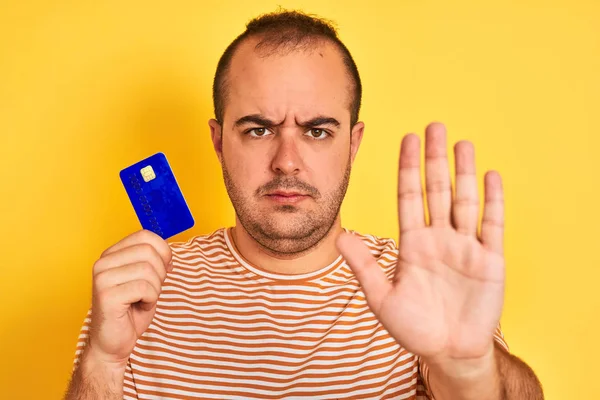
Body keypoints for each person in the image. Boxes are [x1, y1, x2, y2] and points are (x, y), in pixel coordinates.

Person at [65, 10, 544, 400]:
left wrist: (466, 365)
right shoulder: (141, 290)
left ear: (353, 143)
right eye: (258, 129)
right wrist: (102, 362)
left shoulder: (417, 282)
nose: (286, 162)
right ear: (218, 141)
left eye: (317, 131)